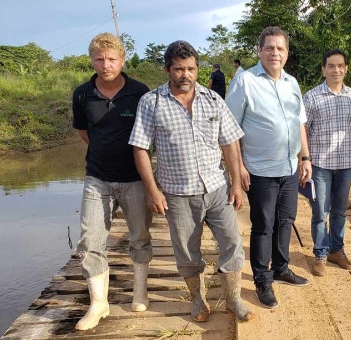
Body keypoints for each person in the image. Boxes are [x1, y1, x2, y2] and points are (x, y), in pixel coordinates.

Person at [129, 41, 255, 323]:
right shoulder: (152, 102)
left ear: (198, 69)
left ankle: (233, 299)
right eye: (178, 69)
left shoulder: (213, 99)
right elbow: (140, 148)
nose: (185, 74)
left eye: (190, 69)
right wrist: (152, 190)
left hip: (216, 188)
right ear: (167, 70)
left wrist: (236, 183)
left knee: (232, 242)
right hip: (177, 193)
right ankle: (197, 299)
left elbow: (230, 143)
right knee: (187, 251)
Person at [226, 26, 312, 309]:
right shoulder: (245, 82)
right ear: (260, 50)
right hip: (259, 170)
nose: (275, 53)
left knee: (286, 221)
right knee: (264, 225)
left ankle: (281, 268)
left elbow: (299, 122)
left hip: (288, 167)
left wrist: (305, 158)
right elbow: (229, 130)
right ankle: (262, 280)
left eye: (280, 48)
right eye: (270, 48)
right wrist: (237, 169)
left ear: (287, 53)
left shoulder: (292, 83)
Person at [72, 32, 153, 331]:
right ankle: (98, 302)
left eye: (111, 59)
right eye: (99, 59)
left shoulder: (139, 92)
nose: (105, 64)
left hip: (135, 177)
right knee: (90, 239)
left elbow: (147, 136)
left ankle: (140, 289)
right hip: (97, 177)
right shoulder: (82, 94)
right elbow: (84, 133)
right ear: (92, 60)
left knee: (140, 235)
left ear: (122, 60)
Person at [303, 49, 351, 277]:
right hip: (320, 164)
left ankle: (337, 250)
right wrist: (304, 159)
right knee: (320, 211)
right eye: (331, 66)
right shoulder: (312, 97)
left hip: (345, 165)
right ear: (323, 69)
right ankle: (320, 253)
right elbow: (303, 128)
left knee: (340, 211)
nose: (336, 70)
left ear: (346, 68)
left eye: (340, 65)